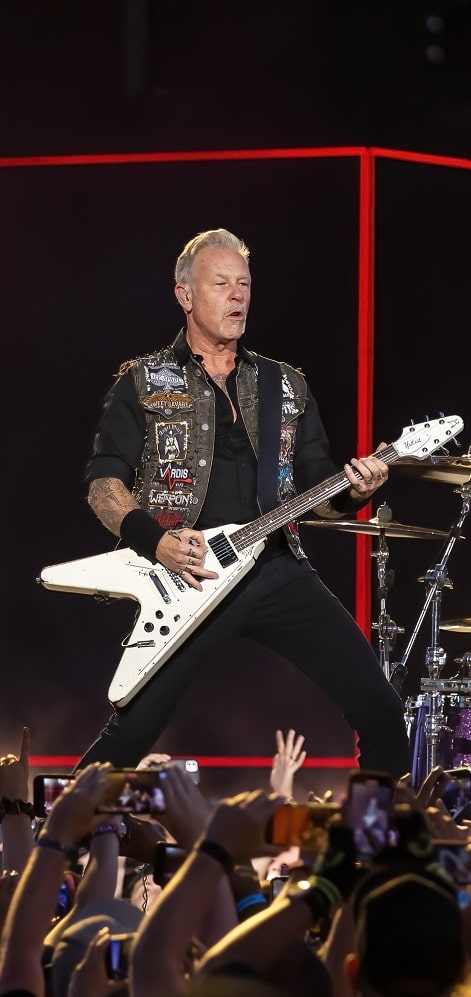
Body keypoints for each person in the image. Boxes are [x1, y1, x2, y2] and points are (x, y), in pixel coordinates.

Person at [73, 228, 408, 775]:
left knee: (383, 712)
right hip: (188, 572)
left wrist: (359, 491)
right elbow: (103, 484)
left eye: (244, 284)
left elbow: (318, 492)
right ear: (185, 295)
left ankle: (370, 850)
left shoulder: (286, 385)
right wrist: (155, 542)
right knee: (130, 733)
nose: (237, 296)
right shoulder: (143, 381)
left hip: (276, 566)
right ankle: (45, 836)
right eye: (221, 283)